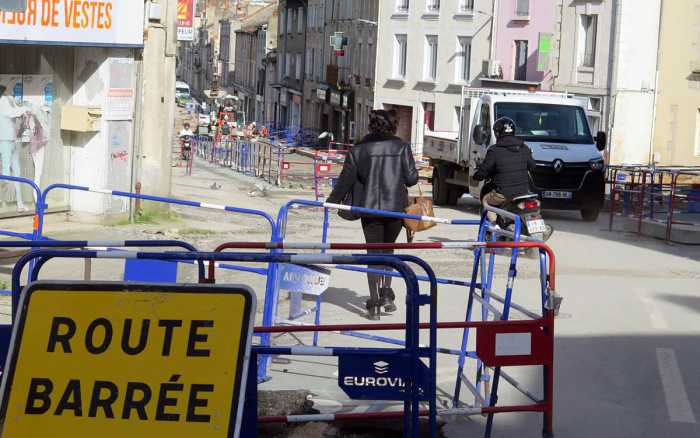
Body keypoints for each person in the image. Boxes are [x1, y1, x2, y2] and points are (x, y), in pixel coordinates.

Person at [327, 110, 418, 320]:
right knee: (388, 251)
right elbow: (412, 179)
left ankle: (375, 302)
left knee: (373, 254)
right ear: (393, 125)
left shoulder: (359, 149)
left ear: (371, 125)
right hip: (395, 209)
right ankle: (387, 295)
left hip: (370, 209)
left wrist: (331, 201)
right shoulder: (402, 146)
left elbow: (345, 180)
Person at [473, 117, 537, 223]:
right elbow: (533, 166)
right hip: (524, 192)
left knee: (486, 200)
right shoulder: (524, 147)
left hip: (504, 194)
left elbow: (485, 170)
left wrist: (477, 176)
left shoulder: (494, 150)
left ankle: (495, 226)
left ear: (497, 133)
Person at [0, 85, 29, 211]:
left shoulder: (7, 101)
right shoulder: (2, 103)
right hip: (4, 141)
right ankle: (4, 201)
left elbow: (16, 110)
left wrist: (22, 107)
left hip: (12, 140)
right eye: (6, 92)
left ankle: (19, 203)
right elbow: (14, 112)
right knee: (6, 172)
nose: (9, 93)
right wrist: (26, 108)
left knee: (16, 171)